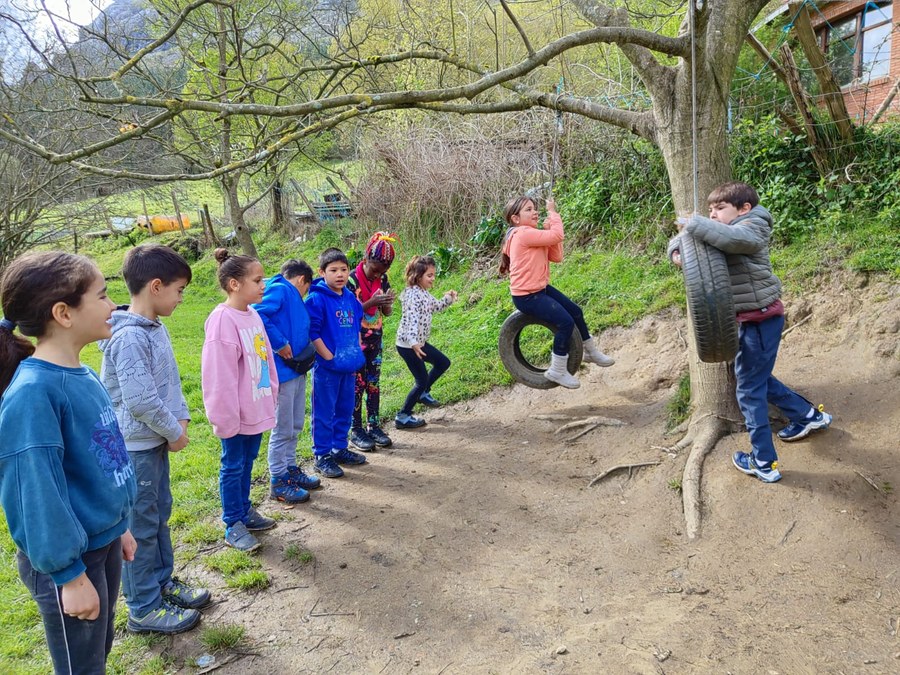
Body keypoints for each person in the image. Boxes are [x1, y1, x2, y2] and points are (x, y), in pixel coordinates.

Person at [0, 251, 137, 674]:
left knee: (99, 650)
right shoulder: (33, 393)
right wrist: (70, 577)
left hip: (103, 542)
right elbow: (35, 496)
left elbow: (99, 459)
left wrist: (120, 525)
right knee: (81, 666)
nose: (113, 305)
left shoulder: (81, 372)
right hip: (71, 560)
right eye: (103, 295)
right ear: (63, 313)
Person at [668, 181, 832, 483]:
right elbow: (683, 242)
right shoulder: (716, 231)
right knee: (758, 379)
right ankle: (809, 417)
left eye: (720, 208)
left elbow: (732, 240)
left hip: (759, 322)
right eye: (710, 210)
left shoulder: (752, 227)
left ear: (744, 208)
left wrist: (695, 223)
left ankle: (763, 462)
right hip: (750, 322)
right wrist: (677, 253)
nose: (713, 215)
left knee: (748, 390)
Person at [99, 244, 207, 635]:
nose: (181, 298)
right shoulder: (129, 338)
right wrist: (174, 431)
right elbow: (141, 400)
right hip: (136, 447)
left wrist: (181, 418)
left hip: (155, 441)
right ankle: (143, 606)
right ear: (156, 286)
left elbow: (168, 385)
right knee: (141, 526)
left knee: (158, 514)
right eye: (179, 290)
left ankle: (161, 583)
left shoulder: (153, 328)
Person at [201, 249, 279, 552]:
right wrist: (225, 417)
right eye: (258, 280)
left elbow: (265, 357)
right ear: (235, 284)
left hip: (256, 407)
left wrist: (271, 392)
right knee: (232, 465)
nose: (264, 285)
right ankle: (232, 522)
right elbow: (218, 375)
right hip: (234, 414)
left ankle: (245, 510)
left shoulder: (253, 314)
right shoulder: (222, 320)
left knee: (247, 462)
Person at [500, 196, 614, 389]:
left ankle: (589, 350)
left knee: (575, 311)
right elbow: (558, 235)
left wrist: (548, 230)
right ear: (515, 219)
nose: (535, 211)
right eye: (528, 210)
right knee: (565, 322)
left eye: (535, 208)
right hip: (527, 296)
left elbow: (557, 256)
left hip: (540, 289)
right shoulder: (522, 234)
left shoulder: (532, 234)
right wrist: (553, 214)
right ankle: (557, 369)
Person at [253, 259, 322, 504]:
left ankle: (291, 468)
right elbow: (259, 312)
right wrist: (280, 343)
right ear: (302, 280)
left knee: (294, 423)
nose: (305, 294)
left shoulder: (286, 291)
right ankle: (278, 479)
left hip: (296, 369)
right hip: (283, 371)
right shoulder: (281, 289)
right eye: (306, 289)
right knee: (283, 427)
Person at [306, 248, 368, 478]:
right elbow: (312, 332)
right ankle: (322, 455)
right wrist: (328, 357)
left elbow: (357, 325)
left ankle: (339, 448)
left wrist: (356, 351)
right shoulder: (316, 299)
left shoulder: (350, 298)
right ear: (322, 272)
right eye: (333, 270)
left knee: (345, 408)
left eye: (343, 269)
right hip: (327, 369)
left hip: (349, 365)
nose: (339, 274)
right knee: (325, 410)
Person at [346, 232, 397, 451]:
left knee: (374, 385)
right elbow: (348, 313)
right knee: (357, 386)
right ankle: (355, 430)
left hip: (376, 341)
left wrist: (386, 303)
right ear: (365, 258)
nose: (378, 274)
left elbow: (386, 313)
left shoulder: (382, 279)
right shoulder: (350, 280)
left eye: (382, 271)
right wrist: (371, 302)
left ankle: (373, 425)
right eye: (374, 269)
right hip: (356, 343)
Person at [394, 255, 457, 429]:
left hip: (418, 343)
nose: (433, 278)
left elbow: (435, 306)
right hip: (408, 345)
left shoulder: (422, 293)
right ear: (417, 276)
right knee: (420, 380)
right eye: (429, 275)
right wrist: (414, 343)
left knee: (443, 362)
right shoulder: (413, 296)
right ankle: (403, 416)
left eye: (433, 275)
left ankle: (423, 393)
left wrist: (448, 298)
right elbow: (412, 319)